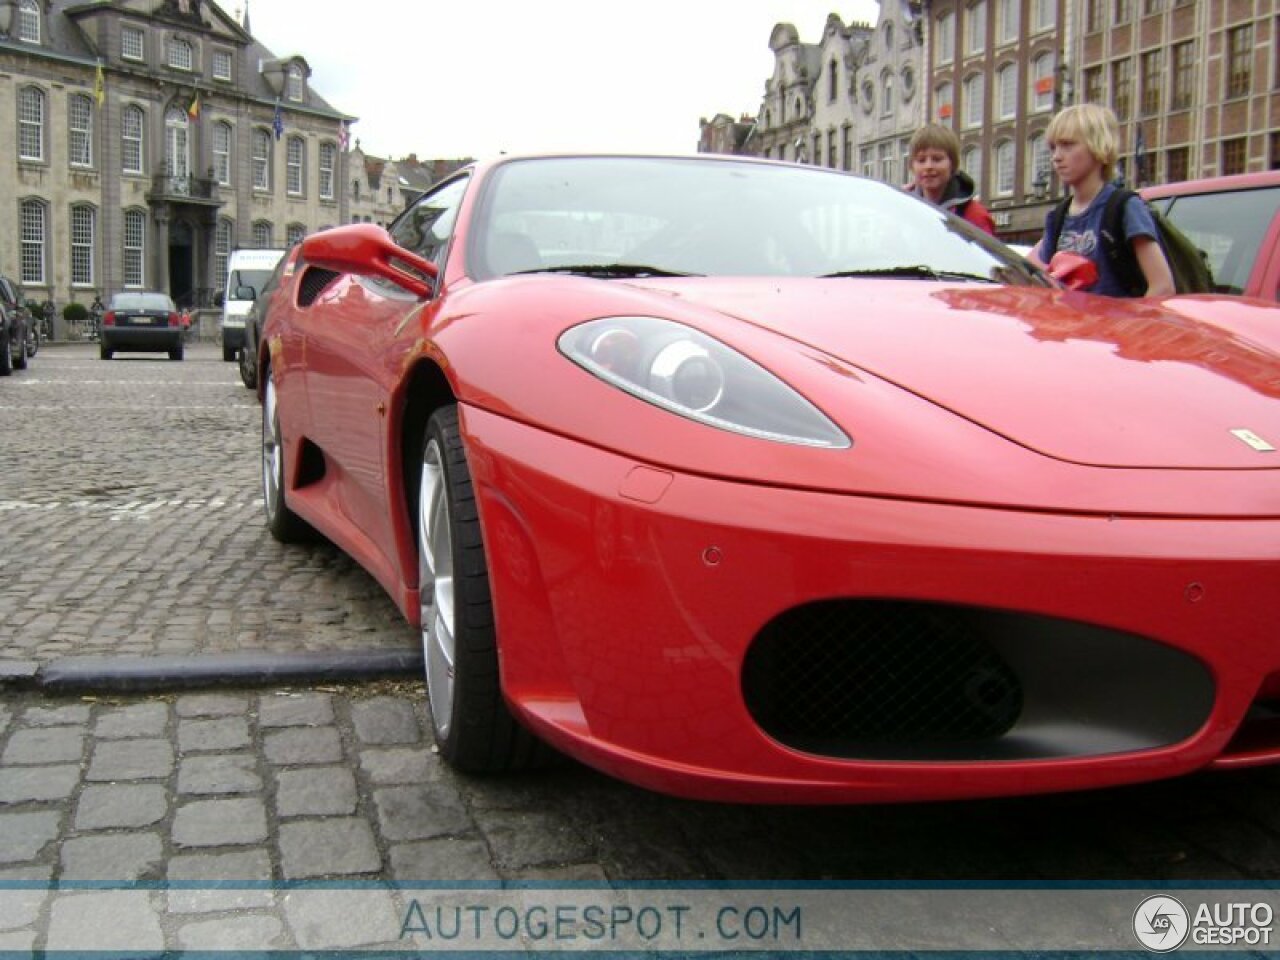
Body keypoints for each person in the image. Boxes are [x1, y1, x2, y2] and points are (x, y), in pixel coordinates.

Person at [1031, 104, 1174, 298]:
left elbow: (1162, 286)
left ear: (1099, 147)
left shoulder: (1124, 208)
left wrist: (1128, 326)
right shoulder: (1058, 217)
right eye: (1053, 147)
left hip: (1113, 325)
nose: (1056, 157)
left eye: (1068, 145)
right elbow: (1038, 279)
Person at [905, 123, 996, 236]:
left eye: (937, 159)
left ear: (952, 164)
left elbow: (984, 253)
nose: (928, 166)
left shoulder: (974, 215)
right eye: (921, 160)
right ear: (912, 166)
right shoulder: (903, 209)